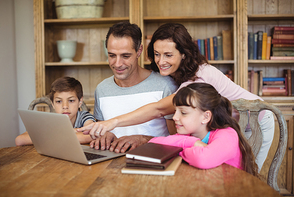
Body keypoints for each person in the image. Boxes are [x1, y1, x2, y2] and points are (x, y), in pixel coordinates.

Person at [78, 23, 274, 171]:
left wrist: (113, 123)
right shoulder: (174, 77)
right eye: (156, 54)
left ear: (184, 54)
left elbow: (158, 108)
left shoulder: (196, 79)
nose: (161, 61)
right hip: (227, 125)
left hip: (257, 118)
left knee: (247, 172)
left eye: (168, 55)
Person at [81, 21, 178, 153]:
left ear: (139, 51)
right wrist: (105, 136)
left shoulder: (165, 85)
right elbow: (101, 131)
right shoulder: (102, 89)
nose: (118, 63)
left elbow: (177, 140)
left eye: (125, 56)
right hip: (110, 163)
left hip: (153, 161)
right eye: (112, 56)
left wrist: (144, 139)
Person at [149, 83, 259, 176]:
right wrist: (192, 142)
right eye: (175, 111)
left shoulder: (227, 135)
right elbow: (153, 145)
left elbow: (203, 159)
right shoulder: (188, 136)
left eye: (183, 112)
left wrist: (178, 151)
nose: (174, 117)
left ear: (206, 117)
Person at [15, 77, 95, 146]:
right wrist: (73, 132)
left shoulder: (85, 117)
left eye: (71, 100)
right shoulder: (49, 120)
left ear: (80, 102)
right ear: (52, 104)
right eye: (59, 101)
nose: (65, 106)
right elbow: (20, 140)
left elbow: (91, 135)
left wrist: (50, 136)